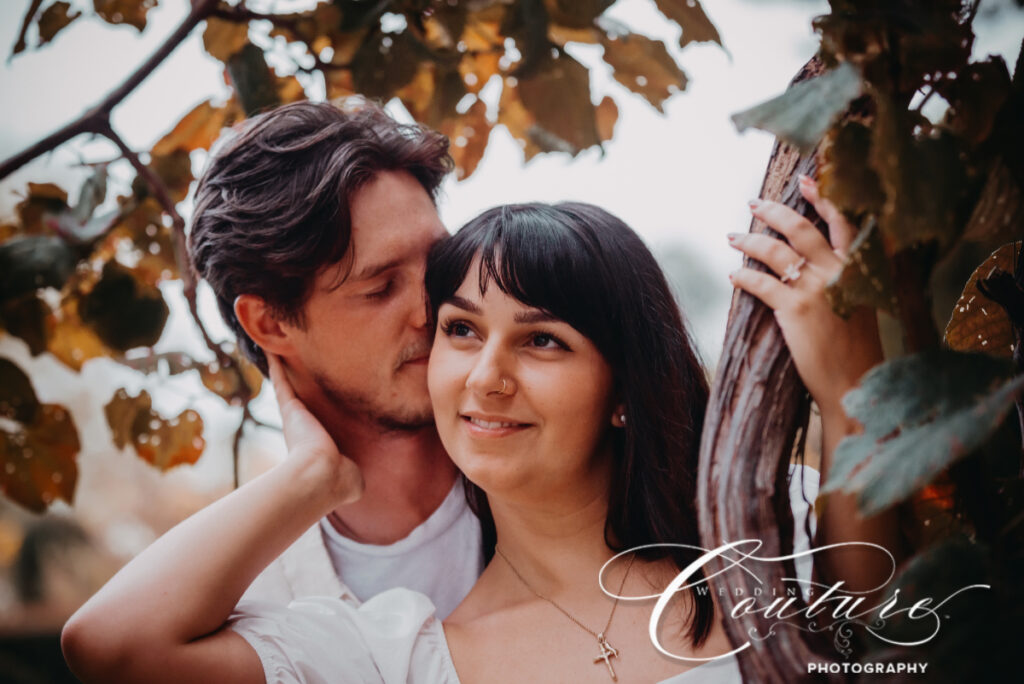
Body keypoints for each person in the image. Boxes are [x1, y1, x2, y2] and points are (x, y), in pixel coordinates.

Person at [61, 178, 894, 682]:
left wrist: (851, 387)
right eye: (461, 331)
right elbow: (111, 647)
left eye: (542, 340)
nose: (486, 376)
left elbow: (891, 657)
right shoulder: (396, 655)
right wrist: (310, 477)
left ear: (622, 392)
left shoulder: (763, 538)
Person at [185, 99, 484, 618]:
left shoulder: (575, 477)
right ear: (271, 323)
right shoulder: (246, 605)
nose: (431, 310)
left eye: (439, 264)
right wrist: (310, 477)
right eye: (381, 287)